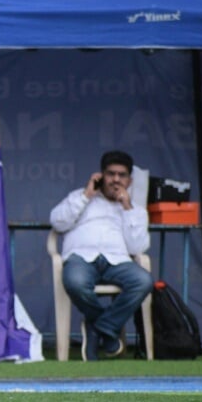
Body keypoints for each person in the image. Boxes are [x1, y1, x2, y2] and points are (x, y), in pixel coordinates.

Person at [49, 150, 154, 361]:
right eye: (110, 174)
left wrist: (127, 207)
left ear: (129, 180)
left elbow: (138, 247)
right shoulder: (80, 196)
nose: (116, 180)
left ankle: (99, 327)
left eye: (121, 175)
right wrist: (86, 195)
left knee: (143, 281)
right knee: (76, 282)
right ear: (100, 175)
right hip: (82, 258)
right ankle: (105, 327)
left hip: (117, 261)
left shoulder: (136, 209)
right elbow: (57, 222)